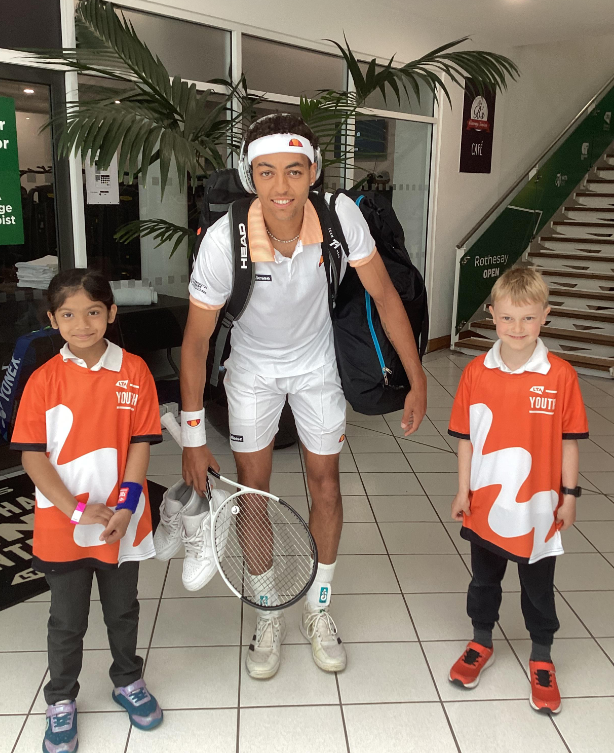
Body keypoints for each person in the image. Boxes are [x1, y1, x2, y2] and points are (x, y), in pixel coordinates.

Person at [180, 113, 427, 679]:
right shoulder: (225, 240)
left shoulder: (340, 216)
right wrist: (193, 439)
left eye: (295, 171)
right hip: (253, 372)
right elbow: (194, 343)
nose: (282, 187)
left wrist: (417, 378)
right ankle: (270, 608)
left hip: (316, 366)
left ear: (314, 172)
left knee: (326, 484)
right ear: (250, 176)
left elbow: (386, 297)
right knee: (252, 492)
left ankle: (318, 609)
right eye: (266, 173)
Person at [10, 269, 164, 753]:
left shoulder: (135, 371)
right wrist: (73, 509)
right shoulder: (42, 380)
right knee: (66, 619)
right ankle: (60, 701)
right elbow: (32, 455)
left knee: (123, 610)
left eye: (93, 312)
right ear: (53, 319)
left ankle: (128, 681)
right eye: (69, 314)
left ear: (111, 314)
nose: (82, 324)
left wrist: (128, 505)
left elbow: (141, 443)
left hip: (122, 519)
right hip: (63, 523)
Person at [447, 266, 588, 714]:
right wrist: (462, 490)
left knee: (537, 587)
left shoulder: (561, 375)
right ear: (491, 314)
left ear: (544, 316)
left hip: (538, 509)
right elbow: (466, 441)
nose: (517, 328)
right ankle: (480, 640)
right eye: (507, 318)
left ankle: (542, 655)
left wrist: (569, 496)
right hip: (486, 504)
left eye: (527, 318)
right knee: (484, 578)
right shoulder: (475, 372)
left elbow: (568, 443)